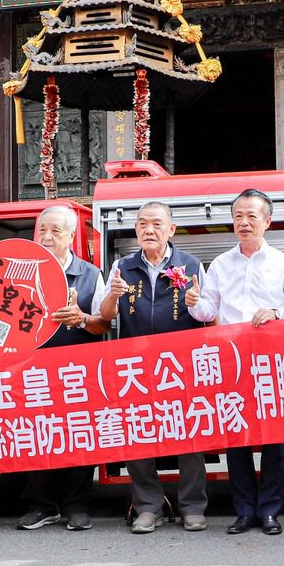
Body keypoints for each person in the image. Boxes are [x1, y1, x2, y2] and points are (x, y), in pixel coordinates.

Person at [190, 189, 284, 536]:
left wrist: (276, 312)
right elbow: (209, 310)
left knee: (273, 440)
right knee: (237, 438)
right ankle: (244, 511)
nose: (244, 222)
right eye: (238, 216)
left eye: (252, 216)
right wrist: (193, 302)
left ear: (267, 221)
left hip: (271, 361)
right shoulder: (221, 264)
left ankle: (270, 511)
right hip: (232, 361)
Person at [98, 201, 209, 534]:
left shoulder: (191, 265)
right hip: (135, 365)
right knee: (138, 435)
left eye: (157, 224)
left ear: (171, 229)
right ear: (135, 229)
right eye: (143, 224)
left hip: (181, 364)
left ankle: (192, 506)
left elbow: (207, 313)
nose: (149, 230)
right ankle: (148, 506)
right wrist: (113, 295)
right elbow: (106, 315)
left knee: (189, 435)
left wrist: (196, 303)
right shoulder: (122, 266)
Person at [17, 206, 109, 532]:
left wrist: (82, 319)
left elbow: (104, 324)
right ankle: (41, 505)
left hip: (76, 371)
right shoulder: (20, 272)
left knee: (77, 435)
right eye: (42, 230)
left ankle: (77, 505)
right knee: (37, 435)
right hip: (32, 371)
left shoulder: (90, 275)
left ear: (71, 237)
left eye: (55, 231)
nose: (46, 237)